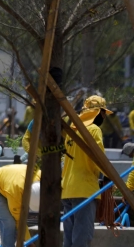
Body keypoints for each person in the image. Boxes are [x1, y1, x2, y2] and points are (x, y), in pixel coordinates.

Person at [62, 95, 113, 247]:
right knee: (82, 237)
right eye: (103, 113)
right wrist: (109, 176)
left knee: (69, 237)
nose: (104, 117)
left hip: (67, 190)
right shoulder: (94, 129)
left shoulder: (72, 131)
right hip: (84, 190)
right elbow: (99, 159)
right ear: (99, 113)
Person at [0, 164, 41, 247]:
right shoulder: (16, 193)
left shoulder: (41, 178)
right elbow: (20, 221)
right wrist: (29, 243)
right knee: (9, 223)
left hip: (7, 182)